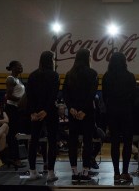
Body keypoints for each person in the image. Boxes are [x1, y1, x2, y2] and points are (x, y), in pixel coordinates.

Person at [63, 48, 98, 182]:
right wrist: (83, 110)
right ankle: (85, 172)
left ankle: (74, 171)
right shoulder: (92, 73)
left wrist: (71, 108)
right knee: (87, 142)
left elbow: (65, 93)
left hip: (73, 113)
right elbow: (91, 95)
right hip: (87, 113)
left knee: (72, 142)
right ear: (87, 58)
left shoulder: (69, 74)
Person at [102, 52, 136, 183]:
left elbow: (105, 97)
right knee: (127, 143)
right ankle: (125, 172)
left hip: (112, 112)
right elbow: (133, 96)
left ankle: (116, 173)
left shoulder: (107, 76)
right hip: (127, 112)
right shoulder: (130, 76)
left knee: (115, 143)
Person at [26, 51, 60, 181]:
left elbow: (29, 95)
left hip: (36, 113)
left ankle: (33, 171)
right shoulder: (54, 75)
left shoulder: (33, 75)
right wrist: (46, 110)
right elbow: (53, 95)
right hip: (50, 111)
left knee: (34, 141)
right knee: (52, 142)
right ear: (51, 60)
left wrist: (33, 112)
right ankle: (51, 173)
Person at [5, 60, 26, 168]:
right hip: (12, 108)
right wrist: (21, 101)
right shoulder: (10, 79)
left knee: (16, 134)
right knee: (13, 134)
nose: (21, 67)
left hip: (18, 109)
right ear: (12, 67)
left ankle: (15, 157)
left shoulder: (18, 79)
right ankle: (15, 159)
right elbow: (8, 96)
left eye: (21, 66)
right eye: (18, 66)